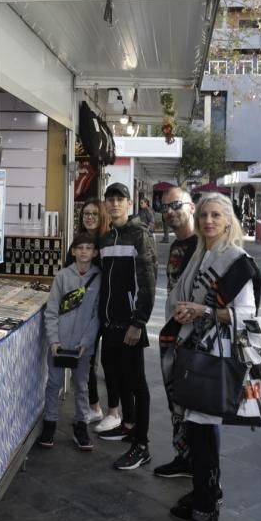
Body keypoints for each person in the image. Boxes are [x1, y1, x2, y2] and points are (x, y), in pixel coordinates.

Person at [167, 193, 261, 521]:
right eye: (205, 214)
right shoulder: (202, 254)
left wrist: (203, 312)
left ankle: (206, 513)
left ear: (228, 221)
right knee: (196, 434)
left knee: (203, 437)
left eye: (216, 215)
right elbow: (192, 300)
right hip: (196, 353)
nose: (209, 221)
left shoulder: (237, 260)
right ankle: (202, 495)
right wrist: (187, 311)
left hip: (215, 360)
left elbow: (246, 315)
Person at [97, 182, 157, 471]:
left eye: (120, 199)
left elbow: (148, 282)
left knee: (137, 382)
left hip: (131, 323)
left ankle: (141, 444)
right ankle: (128, 424)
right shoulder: (107, 239)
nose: (115, 203)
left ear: (129, 203)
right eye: (110, 199)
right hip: (109, 323)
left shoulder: (140, 236)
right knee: (116, 378)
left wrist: (139, 322)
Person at [37, 232, 102, 450]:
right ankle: (50, 422)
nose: (84, 251)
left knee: (82, 385)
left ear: (94, 253)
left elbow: (96, 315)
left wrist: (87, 341)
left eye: (88, 248)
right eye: (79, 247)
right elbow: (52, 310)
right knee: (53, 383)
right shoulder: (62, 276)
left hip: (83, 346)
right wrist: (54, 340)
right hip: (60, 343)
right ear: (73, 251)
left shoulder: (98, 277)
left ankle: (81, 423)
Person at [153, 186, 198, 479]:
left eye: (175, 205)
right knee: (176, 400)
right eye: (164, 208)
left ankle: (200, 469)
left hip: (197, 339)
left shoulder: (205, 246)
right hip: (173, 333)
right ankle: (183, 456)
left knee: (197, 403)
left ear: (191, 206)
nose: (169, 212)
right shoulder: (176, 247)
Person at [71, 199, 112, 426]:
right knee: (86, 360)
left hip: (105, 309)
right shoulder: (79, 240)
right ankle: (94, 407)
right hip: (83, 311)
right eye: (86, 213)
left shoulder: (107, 241)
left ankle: (112, 412)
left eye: (95, 214)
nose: (89, 217)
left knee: (106, 361)